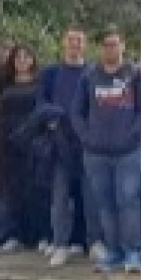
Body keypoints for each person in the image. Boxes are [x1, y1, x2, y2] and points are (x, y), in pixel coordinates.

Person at [72, 30, 141, 274]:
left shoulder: (136, 75)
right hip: (96, 153)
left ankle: (133, 251)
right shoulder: (89, 76)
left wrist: (133, 137)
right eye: (106, 45)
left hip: (129, 152)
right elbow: (76, 111)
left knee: (128, 200)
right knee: (105, 203)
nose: (110, 49)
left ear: (123, 46)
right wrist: (87, 137)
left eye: (114, 44)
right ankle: (114, 251)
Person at [37, 27, 97, 267]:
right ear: (64, 43)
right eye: (71, 40)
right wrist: (53, 117)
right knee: (59, 196)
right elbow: (41, 102)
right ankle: (60, 244)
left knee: (91, 196)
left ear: (85, 44)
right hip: (59, 141)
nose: (75, 44)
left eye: (79, 40)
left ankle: (95, 243)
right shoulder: (51, 73)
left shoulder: (93, 72)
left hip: (88, 142)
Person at [0, 45, 49, 253]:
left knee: (37, 188)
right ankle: (14, 234)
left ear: (33, 60)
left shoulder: (41, 82)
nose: (22, 60)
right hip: (7, 138)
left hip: (33, 139)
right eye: (18, 57)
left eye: (27, 57)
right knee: (12, 189)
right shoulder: (3, 83)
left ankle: (42, 235)